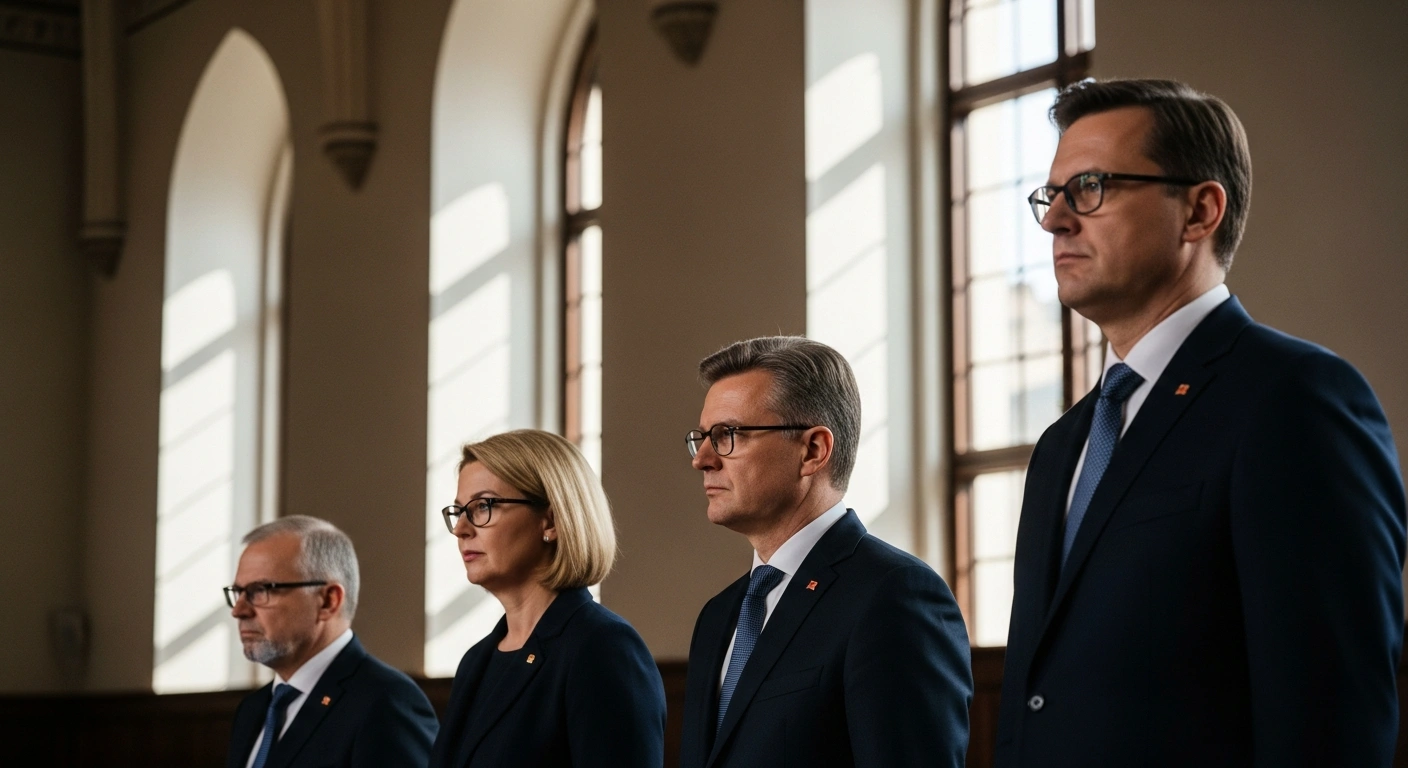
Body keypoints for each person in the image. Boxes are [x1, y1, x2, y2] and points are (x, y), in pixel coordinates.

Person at [996, 78, 1407, 767]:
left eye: (1090, 187)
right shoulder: (1061, 447)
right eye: (1052, 194)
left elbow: (1331, 716)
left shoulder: (1295, 400)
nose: (1055, 221)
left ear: (1199, 210)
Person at [679, 336, 973, 768]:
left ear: (813, 450)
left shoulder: (894, 596)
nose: (702, 459)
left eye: (728, 435)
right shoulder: (718, 615)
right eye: (702, 437)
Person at [428, 429, 666, 768]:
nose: (460, 528)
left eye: (483, 506)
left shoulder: (603, 648)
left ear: (551, 521)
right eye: (459, 510)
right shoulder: (476, 661)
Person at [225, 516, 437, 768]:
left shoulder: (386, 702)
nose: (238, 610)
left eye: (260, 590)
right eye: (238, 592)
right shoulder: (253, 709)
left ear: (328, 601)